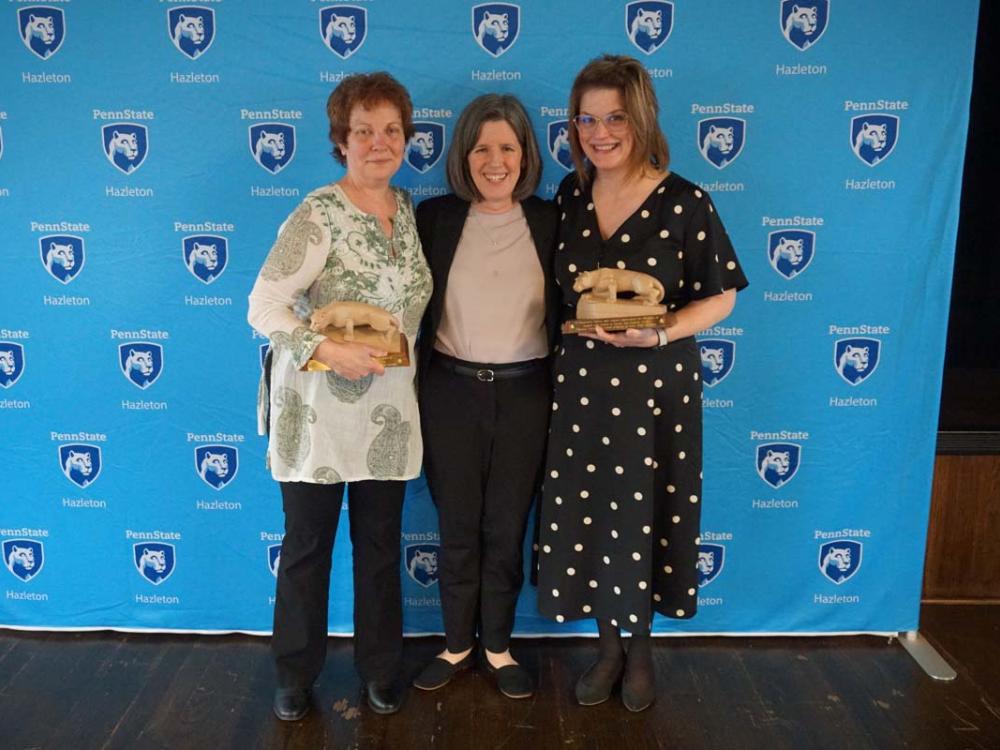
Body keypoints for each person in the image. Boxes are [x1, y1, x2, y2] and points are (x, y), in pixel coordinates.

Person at [535, 54, 748, 712]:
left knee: (649, 509)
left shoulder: (686, 199)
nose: (600, 131)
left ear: (642, 117)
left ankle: (643, 649)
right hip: (581, 386)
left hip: (657, 385)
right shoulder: (570, 194)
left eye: (615, 117)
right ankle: (606, 647)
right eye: (587, 118)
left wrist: (659, 334)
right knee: (591, 513)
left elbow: (724, 298)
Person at [247, 72, 432, 721]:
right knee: (307, 548)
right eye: (364, 131)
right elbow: (264, 305)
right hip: (316, 415)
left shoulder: (406, 211)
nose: (379, 143)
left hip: (386, 414)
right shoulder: (319, 212)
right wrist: (325, 350)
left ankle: (380, 668)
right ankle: (295, 675)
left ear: (406, 138)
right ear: (341, 140)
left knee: (380, 547)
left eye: (391, 130)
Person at [412, 94, 558, 699]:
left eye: (507, 147)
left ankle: (497, 647)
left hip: (528, 395)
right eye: (481, 148)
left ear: (525, 154)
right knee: (456, 526)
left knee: (506, 525)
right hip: (449, 391)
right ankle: (456, 644)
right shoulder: (434, 217)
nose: (494, 161)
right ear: (462, 155)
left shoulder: (554, 221)